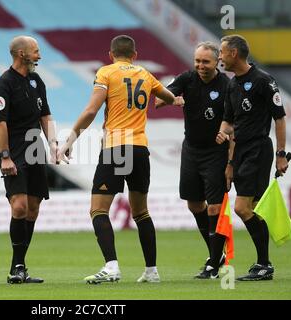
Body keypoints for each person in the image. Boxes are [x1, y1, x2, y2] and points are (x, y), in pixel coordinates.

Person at [58, 35, 183, 284]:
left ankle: (112, 267)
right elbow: (168, 97)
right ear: (134, 55)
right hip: (140, 149)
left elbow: (92, 110)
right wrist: (176, 100)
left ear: (110, 54)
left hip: (117, 147)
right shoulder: (145, 74)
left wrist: (70, 140)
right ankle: (151, 271)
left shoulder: (106, 73)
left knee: (98, 210)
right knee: (142, 213)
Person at [216, 34, 289, 281]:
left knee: (242, 207)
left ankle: (265, 263)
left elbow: (279, 117)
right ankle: (263, 264)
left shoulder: (263, 81)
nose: (219, 57)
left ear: (234, 53)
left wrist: (281, 154)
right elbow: (229, 122)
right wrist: (228, 157)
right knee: (254, 208)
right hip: (239, 151)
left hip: (258, 149)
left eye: (222, 52)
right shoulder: (232, 85)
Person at [156, 42, 231, 279]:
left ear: (217, 60)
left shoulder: (227, 86)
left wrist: (228, 143)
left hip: (216, 151)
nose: (200, 65)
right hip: (191, 150)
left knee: (216, 206)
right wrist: (172, 99)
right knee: (194, 205)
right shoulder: (187, 79)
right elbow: (157, 101)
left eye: (205, 61)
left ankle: (213, 265)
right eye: (197, 60)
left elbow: (235, 119)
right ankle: (215, 254)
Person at [0, 36, 58, 284]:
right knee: (18, 206)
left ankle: (18, 267)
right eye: (36, 51)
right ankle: (18, 266)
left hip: (35, 148)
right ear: (21, 54)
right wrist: (5, 156)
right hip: (15, 150)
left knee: (33, 208)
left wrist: (54, 145)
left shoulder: (36, 80)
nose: (39, 55)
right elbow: (0, 123)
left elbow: (46, 115)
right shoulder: (4, 84)